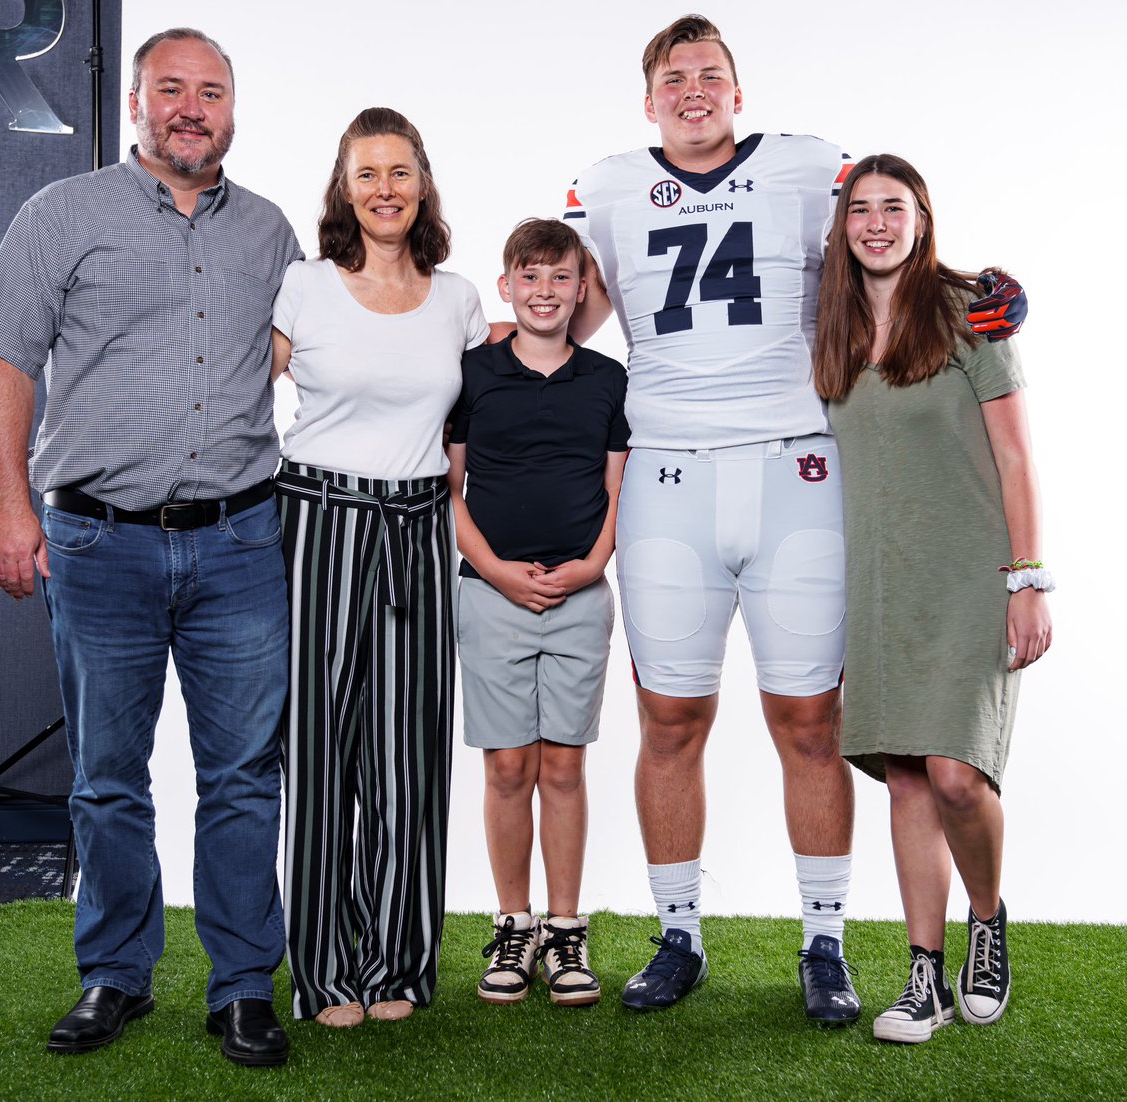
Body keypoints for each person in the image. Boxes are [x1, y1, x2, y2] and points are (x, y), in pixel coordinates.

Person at [562, 14, 1026, 1020]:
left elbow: (887, 227)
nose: (694, 89)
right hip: (670, 477)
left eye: (711, 74)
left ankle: (825, 943)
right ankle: (678, 932)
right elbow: (576, 305)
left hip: (795, 471)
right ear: (649, 100)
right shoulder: (604, 185)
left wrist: (979, 288)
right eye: (674, 76)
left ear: (739, 90)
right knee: (669, 718)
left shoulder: (811, 165)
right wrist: (493, 334)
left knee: (810, 722)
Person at [0, 29, 301, 1065]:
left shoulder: (272, 232)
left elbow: (313, 356)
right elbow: (7, 366)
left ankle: (243, 984)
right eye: (172, 90)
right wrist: (8, 508)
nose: (192, 108)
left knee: (243, 773)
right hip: (99, 543)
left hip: (241, 540)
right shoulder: (61, 215)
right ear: (138, 105)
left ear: (233, 109)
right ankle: (115, 973)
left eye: (212, 92)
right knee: (108, 774)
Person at [814, 154, 1051, 1043]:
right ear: (841, 226)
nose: (877, 222)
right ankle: (923, 977)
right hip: (877, 580)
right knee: (907, 777)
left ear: (922, 218)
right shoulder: (829, 328)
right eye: (861, 209)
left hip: (971, 577)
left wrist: (1027, 579)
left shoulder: (971, 315)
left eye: (895, 207)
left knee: (956, 774)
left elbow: (1019, 457)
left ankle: (985, 924)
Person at [271, 107, 489, 1029]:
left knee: (410, 755)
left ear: (424, 183)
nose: (386, 189)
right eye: (368, 174)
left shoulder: (459, 298)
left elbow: (483, 421)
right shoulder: (304, 288)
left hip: (416, 527)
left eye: (401, 172)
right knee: (322, 753)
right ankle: (325, 969)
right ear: (344, 187)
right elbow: (243, 404)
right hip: (317, 523)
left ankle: (397, 960)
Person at [447, 218, 629, 1008]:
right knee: (508, 765)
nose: (546, 291)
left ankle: (563, 930)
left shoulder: (607, 379)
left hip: (580, 596)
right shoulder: (472, 374)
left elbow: (619, 487)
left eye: (561, 278)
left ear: (581, 289)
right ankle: (513, 923)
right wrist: (492, 569)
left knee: (563, 764)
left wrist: (593, 564)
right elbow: (445, 486)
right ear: (507, 285)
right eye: (531, 276)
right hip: (491, 595)